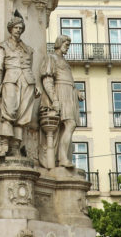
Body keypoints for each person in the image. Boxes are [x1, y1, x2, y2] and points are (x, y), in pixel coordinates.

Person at [0, 14, 39, 158]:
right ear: (10, 29)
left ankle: (16, 147)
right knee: (9, 112)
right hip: (10, 80)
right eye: (16, 27)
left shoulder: (28, 49)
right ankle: (4, 144)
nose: (18, 30)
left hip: (28, 82)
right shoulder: (2, 47)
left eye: (20, 28)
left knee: (22, 116)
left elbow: (29, 67)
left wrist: (35, 84)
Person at [41, 35, 84, 167]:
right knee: (70, 124)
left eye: (68, 45)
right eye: (66, 45)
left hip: (70, 94)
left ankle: (63, 157)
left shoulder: (64, 61)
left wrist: (77, 92)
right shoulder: (51, 57)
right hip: (61, 93)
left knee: (68, 126)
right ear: (59, 43)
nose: (67, 48)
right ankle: (62, 158)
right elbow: (47, 80)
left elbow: (68, 79)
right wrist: (54, 99)